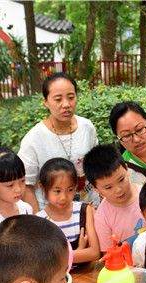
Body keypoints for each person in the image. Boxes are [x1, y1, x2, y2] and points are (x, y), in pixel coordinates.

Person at [18, 73, 99, 212]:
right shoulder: (33, 139)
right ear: (46, 102)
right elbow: (26, 185)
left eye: (71, 97)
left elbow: (96, 167)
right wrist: (40, 221)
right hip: (52, 216)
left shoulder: (87, 127)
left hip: (89, 209)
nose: (66, 104)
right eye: (58, 99)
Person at [36, 158, 100, 268]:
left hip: (86, 277)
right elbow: (45, 262)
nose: (63, 197)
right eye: (57, 191)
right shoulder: (39, 221)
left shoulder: (84, 210)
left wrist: (60, 258)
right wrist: (80, 251)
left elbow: (94, 253)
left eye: (70, 190)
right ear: (43, 188)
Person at [83, 144, 145, 252]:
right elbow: (109, 255)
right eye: (108, 187)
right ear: (96, 189)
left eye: (121, 180)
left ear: (126, 168)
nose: (118, 190)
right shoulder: (102, 217)